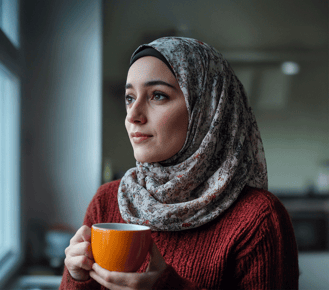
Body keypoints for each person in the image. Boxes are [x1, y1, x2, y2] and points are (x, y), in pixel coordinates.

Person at [60, 37, 299, 289]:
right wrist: (77, 278)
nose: (133, 115)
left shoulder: (257, 218)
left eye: (158, 96)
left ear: (207, 110)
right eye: (130, 97)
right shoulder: (108, 200)